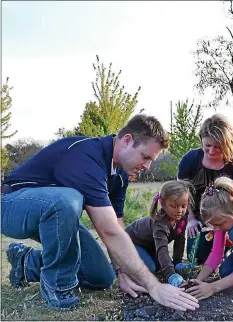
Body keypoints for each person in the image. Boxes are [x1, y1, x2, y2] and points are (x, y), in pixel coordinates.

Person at [1, 114, 199, 312]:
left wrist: (121, 271)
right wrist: (154, 286)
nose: (147, 166)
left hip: (58, 217)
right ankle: (58, 284)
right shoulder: (87, 155)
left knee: (101, 276)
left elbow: (116, 222)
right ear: (127, 140)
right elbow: (108, 230)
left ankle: (27, 262)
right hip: (12, 205)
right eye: (145, 157)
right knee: (68, 199)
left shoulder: (121, 173)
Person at [177, 114, 233, 264]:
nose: (211, 151)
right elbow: (182, 194)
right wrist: (190, 219)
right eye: (207, 145)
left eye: (217, 146)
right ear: (201, 139)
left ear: (227, 143)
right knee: (195, 256)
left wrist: (227, 223)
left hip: (228, 215)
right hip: (199, 216)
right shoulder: (190, 160)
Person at [125, 180, 195, 288]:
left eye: (183, 206)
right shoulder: (159, 223)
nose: (179, 211)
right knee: (152, 267)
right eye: (174, 206)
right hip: (130, 242)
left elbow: (180, 239)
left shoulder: (182, 216)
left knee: (160, 265)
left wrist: (177, 262)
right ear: (162, 203)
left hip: (150, 246)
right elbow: (162, 250)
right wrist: (171, 275)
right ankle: (122, 263)